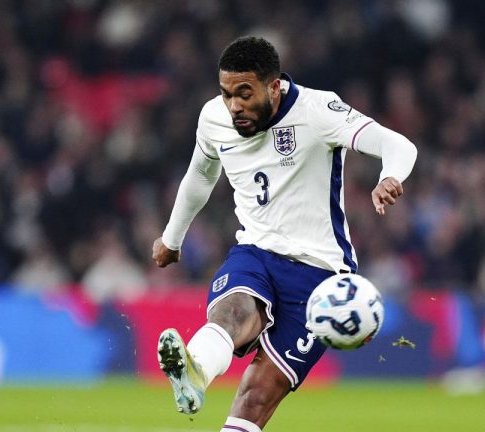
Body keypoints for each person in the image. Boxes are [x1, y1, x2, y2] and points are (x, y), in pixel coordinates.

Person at [152, 36, 417, 432]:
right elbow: (200, 177)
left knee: (255, 398)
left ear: (274, 87)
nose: (234, 106)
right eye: (227, 94)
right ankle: (195, 374)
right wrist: (172, 238)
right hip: (255, 251)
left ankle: (206, 380)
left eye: (245, 93)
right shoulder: (213, 118)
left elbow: (396, 144)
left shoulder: (317, 110)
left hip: (320, 277)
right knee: (233, 311)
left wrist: (390, 176)